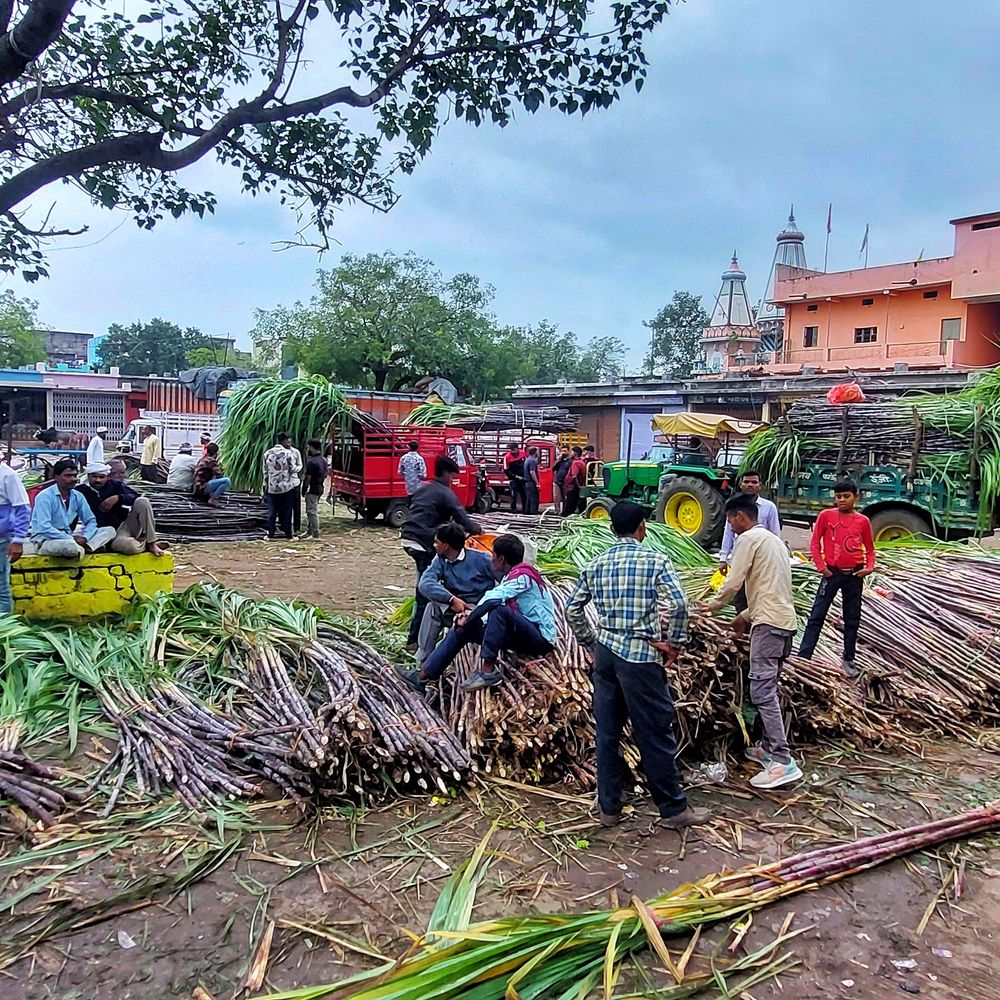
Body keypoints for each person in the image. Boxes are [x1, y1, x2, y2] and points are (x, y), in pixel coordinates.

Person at [566, 501, 709, 830]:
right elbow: (679, 603)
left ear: (612, 529)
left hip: (606, 653)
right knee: (654, 731)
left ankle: (609, 808)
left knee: (607, 732)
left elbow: (573, 608)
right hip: (639, 656)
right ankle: (673, 810)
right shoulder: (655, 560)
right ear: (642, 527)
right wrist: (675, 642)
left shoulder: (596, 563)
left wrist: (590, 641)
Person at [702, 493, 801, 789]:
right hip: (784, 623)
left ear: (739, 516)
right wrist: (744, 616)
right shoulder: (774, 542)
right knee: (770, 689)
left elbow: (734, 581)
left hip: (768, 627)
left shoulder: (748, 539)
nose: (730, 528)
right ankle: (768, 749)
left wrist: (711, 606)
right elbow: (772, 588)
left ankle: (782, 761)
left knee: (762, 693)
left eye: (730, 521)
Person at [403, 533, 556, 693]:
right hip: (520, 633)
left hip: (539, 638)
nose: (491, 559)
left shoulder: (524, 576)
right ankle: (422, 677)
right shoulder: (509, 577)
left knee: (498, 608)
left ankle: (487, 671)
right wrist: (469, 620)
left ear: (501, 559)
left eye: (493, 555)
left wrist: (470, 616)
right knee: (462, 630)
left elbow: (494, 598)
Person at [399, 455, 482, 649]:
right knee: (425, 591)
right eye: (452, 476)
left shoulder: (423, 488)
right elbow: (461, 517)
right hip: (424, 540)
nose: (452, 480)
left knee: (426, 584)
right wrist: (476, 529)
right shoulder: (445, 493)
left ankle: (419, 635)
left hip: (409, 536)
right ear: (445, 473)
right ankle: (415, 640)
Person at [797, 479, 875, 678]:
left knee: (852, 618)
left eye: (846, 496)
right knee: (817, 615)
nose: (841, 500)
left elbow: (870, 548)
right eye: (838, 496)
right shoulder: (826, 516)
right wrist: (822, 568)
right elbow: (815, 544)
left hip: (855, 575)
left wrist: (868, 568)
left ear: (856, 497)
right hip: (832, 574)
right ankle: (803, 656)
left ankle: (849, 658)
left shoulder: (862, 521)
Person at [414, 522, 498, 663]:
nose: (434, 545)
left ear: (446, 546)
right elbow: (425, 583)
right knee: (432, 608)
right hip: (453, 606)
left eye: (436, 542)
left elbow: (504, 581)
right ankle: (424, 658)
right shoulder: (440, 560)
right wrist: (452, 599)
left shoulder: (482, 559)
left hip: (476, 610)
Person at [25, 459, 116, 558]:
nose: (73, 479)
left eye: (74, 475)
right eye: (68, 476)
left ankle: (87, 547)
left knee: (110, 530)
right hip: (47, 540)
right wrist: (70, 538)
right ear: (56, 477)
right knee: (70, 546)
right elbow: (44, 527)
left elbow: (90, 521)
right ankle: (86, 548)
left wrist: (85, 537)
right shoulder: (44, 497)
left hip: (71, 537)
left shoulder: (77, 496)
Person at [719, 470, 781, 613]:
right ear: (741, 484)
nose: (750, 485)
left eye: (754, 482)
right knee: (740, 598)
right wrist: (723, 558)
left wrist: (715, 604)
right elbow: (728, 533)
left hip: (760, 561)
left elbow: (775, 535)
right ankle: (744, 622)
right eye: (746, 482)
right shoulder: (734, 507)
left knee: (758, 596)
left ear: (760, 485)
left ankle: (752, 621)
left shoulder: (769, 507)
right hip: (740, 558)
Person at [76, 463, 165, 556]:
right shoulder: (80, 491)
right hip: (101, 531)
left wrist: (118, 498)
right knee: (129, 547)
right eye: (94, 477)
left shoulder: (115, 485)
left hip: (123, 527)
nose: (98, 480)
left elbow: (134, 496)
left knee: (142, 501)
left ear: (107, 477)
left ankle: (151, 543)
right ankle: (144, 545)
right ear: (88, 476)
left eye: (101, 477)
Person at [0, 459, 30, 612]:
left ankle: (4, 622)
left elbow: (23, 509)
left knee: (1, 585)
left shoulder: (8, 475)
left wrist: (18, 540)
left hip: (2, 538)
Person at [263, 433, 298, 539]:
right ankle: (288, 535)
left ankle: (271, 534)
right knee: (287, 511)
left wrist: (266, 485)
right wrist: (300, 468)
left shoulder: (267, 453)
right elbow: (293, 469)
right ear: (284, 441)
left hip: (272, 488)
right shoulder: (288, 453)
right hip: (286, 487)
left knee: (272, 511)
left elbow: (265, 472)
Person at [302, 438, 328, 539]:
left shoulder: (311, 462)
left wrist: (304, 488)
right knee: (312, 508)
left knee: (311, 511)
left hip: (312, 488)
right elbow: (325, 474)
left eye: (308, 447)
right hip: (320, 487)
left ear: (311, 447)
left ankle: (315, 533)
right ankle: (310, 531)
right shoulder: (323, 460)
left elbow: (308, 477)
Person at [561, 446, 585, 516]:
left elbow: (574, 475)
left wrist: (576, 485)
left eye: (572, 452)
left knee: (569, 506)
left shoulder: (576, 463)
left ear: (575, 453)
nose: (570, 454)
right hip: (577, 487)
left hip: (572, 487)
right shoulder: (581, 462)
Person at [288, 438, 304, 535]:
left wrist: (294, 469)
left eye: (290, 442)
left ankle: (297, 527)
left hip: (294, 482)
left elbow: (300, 465)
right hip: (284, 483)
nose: (288, 444)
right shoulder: (279, 453)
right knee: (286, 506)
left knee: (296, 506)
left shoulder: (295, 452)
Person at [504, 443, 526, 513]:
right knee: (514, 495)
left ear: (517, 448)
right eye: (510, 450)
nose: (512, 451)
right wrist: (515, 476)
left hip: (522, 478)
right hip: (513, 478)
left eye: (513, 449)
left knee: (524, 494)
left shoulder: (523, 453)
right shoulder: (507, 457)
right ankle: (513, 509)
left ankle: (525, 509)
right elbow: (506, 470)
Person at [552, 445, 572, 510]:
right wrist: (558, 460)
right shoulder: (560, 461)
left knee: (565, 498)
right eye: (562, 451)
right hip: (557, 481)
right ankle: (557, 510)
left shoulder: (570, 461)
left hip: (565, 482)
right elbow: (553, 468)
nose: (563, 453)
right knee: (556, 497)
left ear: (568, 451)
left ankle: (564, 511)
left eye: (565, 451)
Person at [523, 446, 540, 515]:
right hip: (531, 482)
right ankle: (533, 512)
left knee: (529, 499)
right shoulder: (533, 460)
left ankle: (527, 512)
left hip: (527, 482)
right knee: (534, 499)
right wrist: (537, 483)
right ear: (535, 452)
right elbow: (532, 472)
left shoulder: (527, 460)